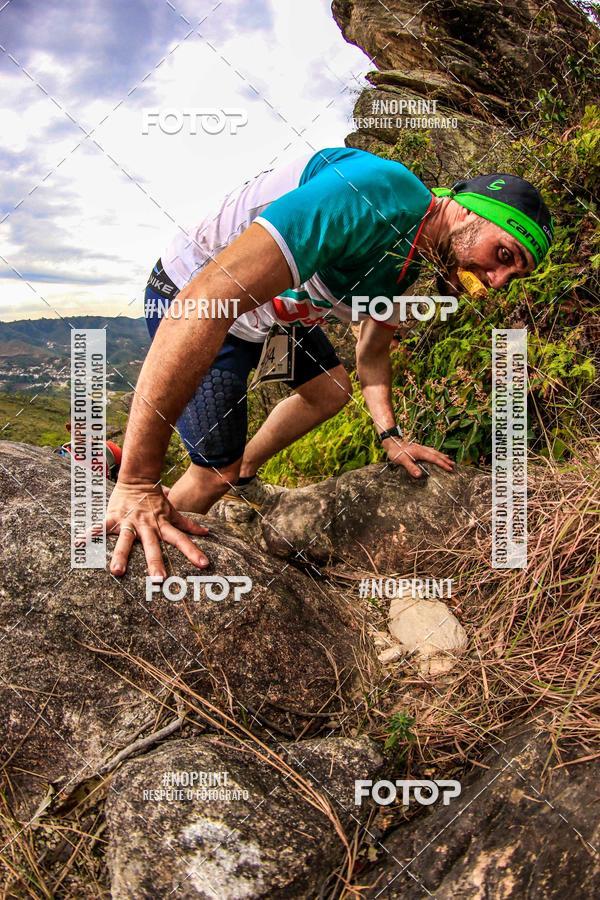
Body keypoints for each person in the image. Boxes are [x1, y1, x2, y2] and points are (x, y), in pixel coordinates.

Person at [105, 147, 553, 578]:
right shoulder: (374, 195)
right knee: (212, 473)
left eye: (512, 275)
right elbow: (205, 300)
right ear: (472, 211)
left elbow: (373, 352)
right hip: (195, 296)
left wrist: (391, 437)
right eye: (504, 255)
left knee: (329, 389)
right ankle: (146, 527)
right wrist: (138, 480)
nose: (495, 281)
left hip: (271, 312)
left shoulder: (410, 260)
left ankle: (243, 472)